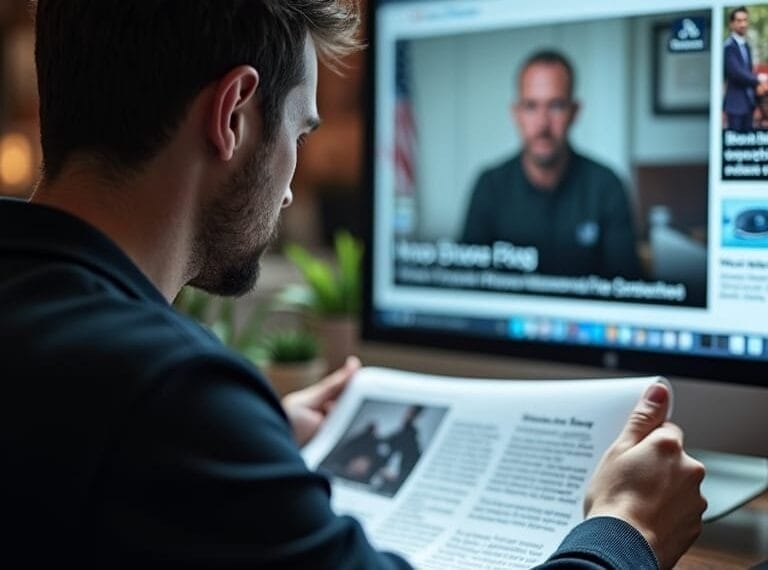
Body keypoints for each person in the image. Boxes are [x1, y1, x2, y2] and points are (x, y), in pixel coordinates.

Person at [0, 1, 706, 568]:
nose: (287, 192)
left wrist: (254, 437)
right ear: (233, 115)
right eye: (301, 131)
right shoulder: (168, 398)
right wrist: (623, 533)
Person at [462, 50, 641, 279]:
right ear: (516, 113)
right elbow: (466, 279)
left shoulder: (607, 186)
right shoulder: (489, 186)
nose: (543, 124)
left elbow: (625, 285)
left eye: (555, 106)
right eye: (531, 106)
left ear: (574, 112)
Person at [723, 6, 767, 132]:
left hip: (748, 103)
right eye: (739, 20)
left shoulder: (746, 46)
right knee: (735, 142)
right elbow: (736, 72)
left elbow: (748, 71)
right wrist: (759, 80)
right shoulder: (728, 47)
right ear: (731, 23)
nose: (743, 24)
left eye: (745, 20)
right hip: (735, 105)